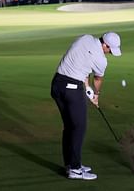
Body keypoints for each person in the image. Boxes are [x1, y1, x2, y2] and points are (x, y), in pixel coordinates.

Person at [50, 32, 122, 180]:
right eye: (110, 50)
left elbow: (80, 61)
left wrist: (86, 87)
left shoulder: (85, 38)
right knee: (79, 128)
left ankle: (70, 164)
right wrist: (96, 94)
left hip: (57, 84)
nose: (109, 53)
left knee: (69, 127)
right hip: (72, 90)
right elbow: (98, 79)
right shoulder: (101, 60)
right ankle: (75, 170)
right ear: (105, 45)